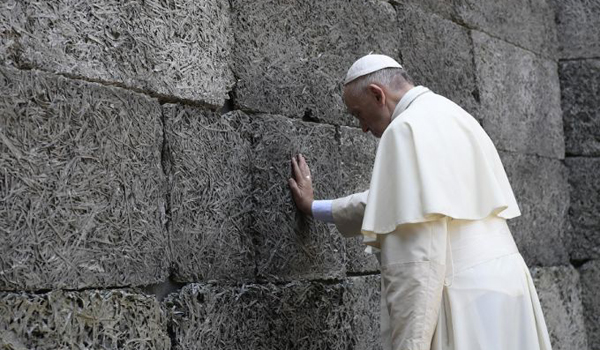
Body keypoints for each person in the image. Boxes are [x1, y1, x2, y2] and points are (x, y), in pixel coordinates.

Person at [288, 54, 553, 350]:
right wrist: (314, 207)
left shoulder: (404, 129)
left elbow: (418, 254)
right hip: (509, 285)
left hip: (462, 296)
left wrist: (410, 342)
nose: (362, 127)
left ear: (378, 94)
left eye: (358, 114)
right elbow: (398, 203)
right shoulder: (453, 113)